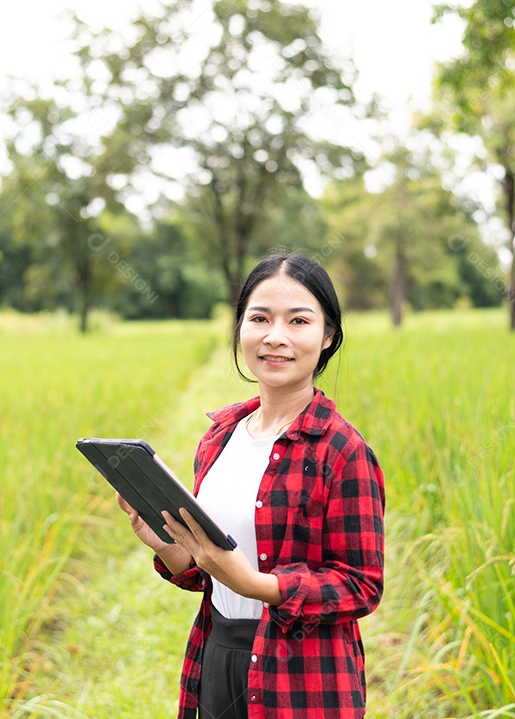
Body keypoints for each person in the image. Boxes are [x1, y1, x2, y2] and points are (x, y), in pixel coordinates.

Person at [117, 253, 385, 719]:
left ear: (328, 336)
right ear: (240, 328)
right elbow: (207, 572)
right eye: (259, 318)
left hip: (304, 675)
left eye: (298, 320)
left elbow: (361, 586)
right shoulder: (219, 438)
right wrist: (168, 547)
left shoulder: (341, 450)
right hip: (217, 655)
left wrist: (259, 585)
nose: (274, 337)